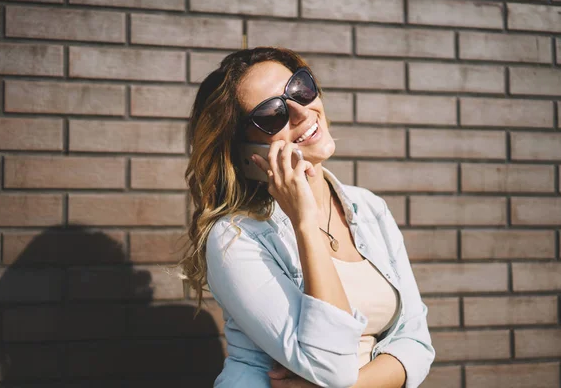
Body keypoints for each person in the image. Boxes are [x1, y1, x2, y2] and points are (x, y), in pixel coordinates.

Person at [180, 47, 435, 388]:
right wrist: (304, 222)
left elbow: (416, 341)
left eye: (300, 89)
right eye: (272, 114)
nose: (303, 112)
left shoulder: (369, 207)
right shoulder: (233, 238)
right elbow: (330, 366)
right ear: (246, 153)